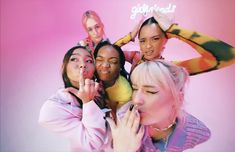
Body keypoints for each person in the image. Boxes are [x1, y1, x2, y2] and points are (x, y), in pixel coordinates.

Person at [107, 60, 211, 151]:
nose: (136, 100)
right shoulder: (124, 119)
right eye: (135, 88)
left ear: (178, 98)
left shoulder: (195, 131)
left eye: (150, 91)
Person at [38, 46, 108, 152]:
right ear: (63, 67)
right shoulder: (54, 107)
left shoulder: (102, 94)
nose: (83, 65)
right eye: (74, 59)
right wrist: (88, 102)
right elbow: (92, 144)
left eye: (88, 61)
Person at [124, 12, 235, 74]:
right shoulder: (135, 57)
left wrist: (175, 30)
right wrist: (129, 37)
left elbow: (229, 55)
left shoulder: (172, 69)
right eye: (143, 41)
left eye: (155, 38)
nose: (148, 46)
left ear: (165, 39)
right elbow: (108, 52)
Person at [94, 41, 132, 116]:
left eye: (113, 61)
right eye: (99, 60)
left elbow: (118, 120)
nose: (105, 65)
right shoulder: (90, 74)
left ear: (120, 67)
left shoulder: (125, 92)